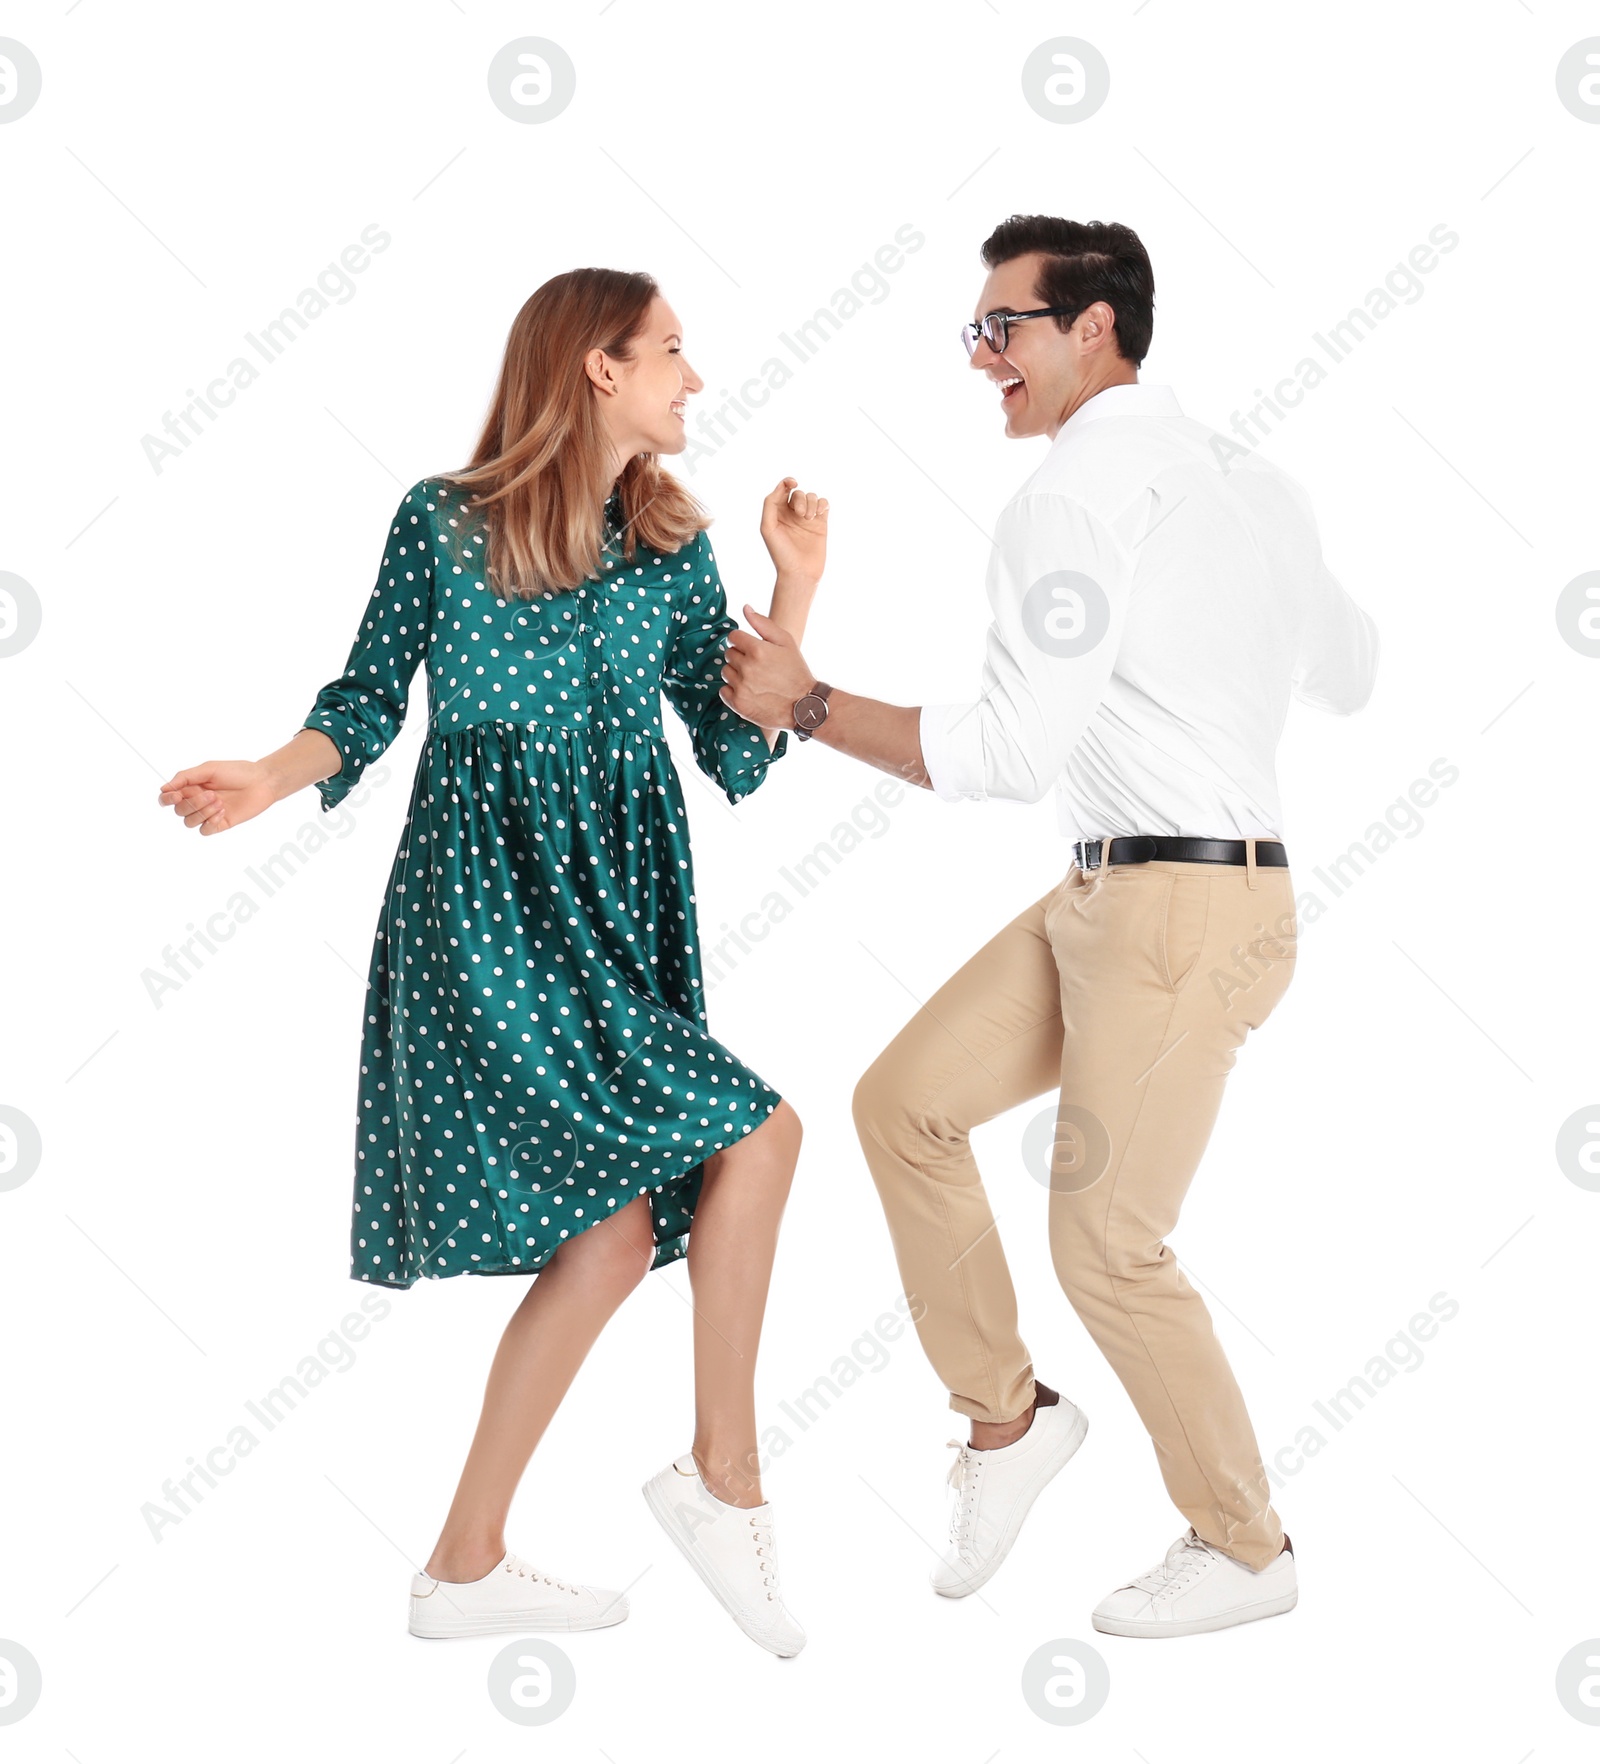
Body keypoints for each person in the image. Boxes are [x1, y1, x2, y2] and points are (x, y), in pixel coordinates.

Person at [719, 215, 1379, 1639]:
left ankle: (1244, 1545)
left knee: (1109, 1248)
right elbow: (1351, 672)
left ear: (1094, 329)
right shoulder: (1250, 480)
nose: (983, 360)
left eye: (1001, 328)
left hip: (1178, 913)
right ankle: (1009, 1428)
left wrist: (809, 707)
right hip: (1126, 891)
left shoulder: (1069, 499)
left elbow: (1011, 751)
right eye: (977, 331)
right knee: (903, 1106)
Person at [156, 268, 829, 1659]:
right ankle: (726, 1476)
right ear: (595, 366)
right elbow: (364, 698)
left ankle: (463, 1566)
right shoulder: (442, 524)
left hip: (619, 910)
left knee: (612, 1233)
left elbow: (739, 750)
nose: (694, 380)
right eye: (671, 353)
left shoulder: (670, 542)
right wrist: (269, 780)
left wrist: (797, 593)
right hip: (485, 910)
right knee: (760, 1135)